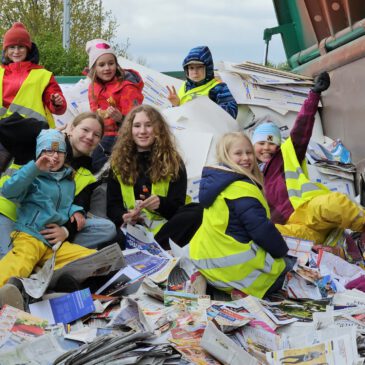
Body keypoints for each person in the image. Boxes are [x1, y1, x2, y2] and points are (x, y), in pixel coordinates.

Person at [252, 72, 365, 244]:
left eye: (271, 143)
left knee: (335, 204)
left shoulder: (285, 156)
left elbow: (301, 129)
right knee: (273, 234)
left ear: (278, 145)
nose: (266, 148)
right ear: (252, 146)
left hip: (309, 209)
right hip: (294, 228)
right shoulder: (248, 178)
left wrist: (314, 95)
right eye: (261, 143)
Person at [190, 132, 293, 299]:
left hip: (205, 262)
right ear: (226, 156)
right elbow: (262, 231)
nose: (246, 158)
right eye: (238, 153)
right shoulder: (241, 190)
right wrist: (282, 251)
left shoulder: (216, 183)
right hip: (234, 271)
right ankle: (241, 292)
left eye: (249, 152)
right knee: (288, 268)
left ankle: (211, 283)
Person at [0, 129, 96, 309]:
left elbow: (64, 205)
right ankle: (6, 291)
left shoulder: (69, 181)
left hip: (54, 245)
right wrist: (35, 168)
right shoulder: (32, 176)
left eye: (59, 151)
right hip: (30, 235)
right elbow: (8, 190)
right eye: (48, 151)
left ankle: (62, 286)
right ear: (39, 154)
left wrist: (76, 210)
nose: (54, 156)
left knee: (89, 258)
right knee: (19, 262)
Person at [0, 112, 116, 258]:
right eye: (85, 130)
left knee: (107, 228)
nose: (90, 137)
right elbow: (5, 125)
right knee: (9, 261)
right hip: (9, 212)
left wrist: (66, 231)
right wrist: (44, 129)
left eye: (96, 135)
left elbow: (80, 209)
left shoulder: (88, 175)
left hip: (42, 228)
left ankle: (49, 258)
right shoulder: (44, 140)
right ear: (72, 129)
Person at [107, 104, 188, 249]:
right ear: (130, 130)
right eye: (137, 126)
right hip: (132, 230)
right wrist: (124, 216)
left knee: (196, 211)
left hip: (164, 230)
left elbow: (178, 208)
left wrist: (161, 204)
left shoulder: (174, 161)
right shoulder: (118, 163)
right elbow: (112, 205)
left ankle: (156, 247)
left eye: (148, 125)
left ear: (158, 129)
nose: (142, 131)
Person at [0, 22, 67, 171]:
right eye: (12, 47)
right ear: (5, 50)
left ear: (28, 49)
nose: (16, 51)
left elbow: (59, 107)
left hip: (31, 135)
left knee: (26, 178)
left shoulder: (43, 75)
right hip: (3, 134)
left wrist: (56, 102)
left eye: (21, 47)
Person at [85, 38, 144, 172]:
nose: (107, 68)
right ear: (94, 68)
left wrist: (121, 118)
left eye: (111, 63)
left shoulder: (128, 87)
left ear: (116, 65)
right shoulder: (93, 88)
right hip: (101, 137)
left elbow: (138, 121)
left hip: (124, 138)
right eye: (101, 65)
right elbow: (95, 115)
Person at [166, 45, 238, 119]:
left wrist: (204, 108)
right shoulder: (184, 86)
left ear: (208, 68)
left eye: (199, 67)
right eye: (191, 68)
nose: (195, 72)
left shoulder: (219, 87)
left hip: (208, 129)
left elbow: (232, 112)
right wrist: (175, 105)